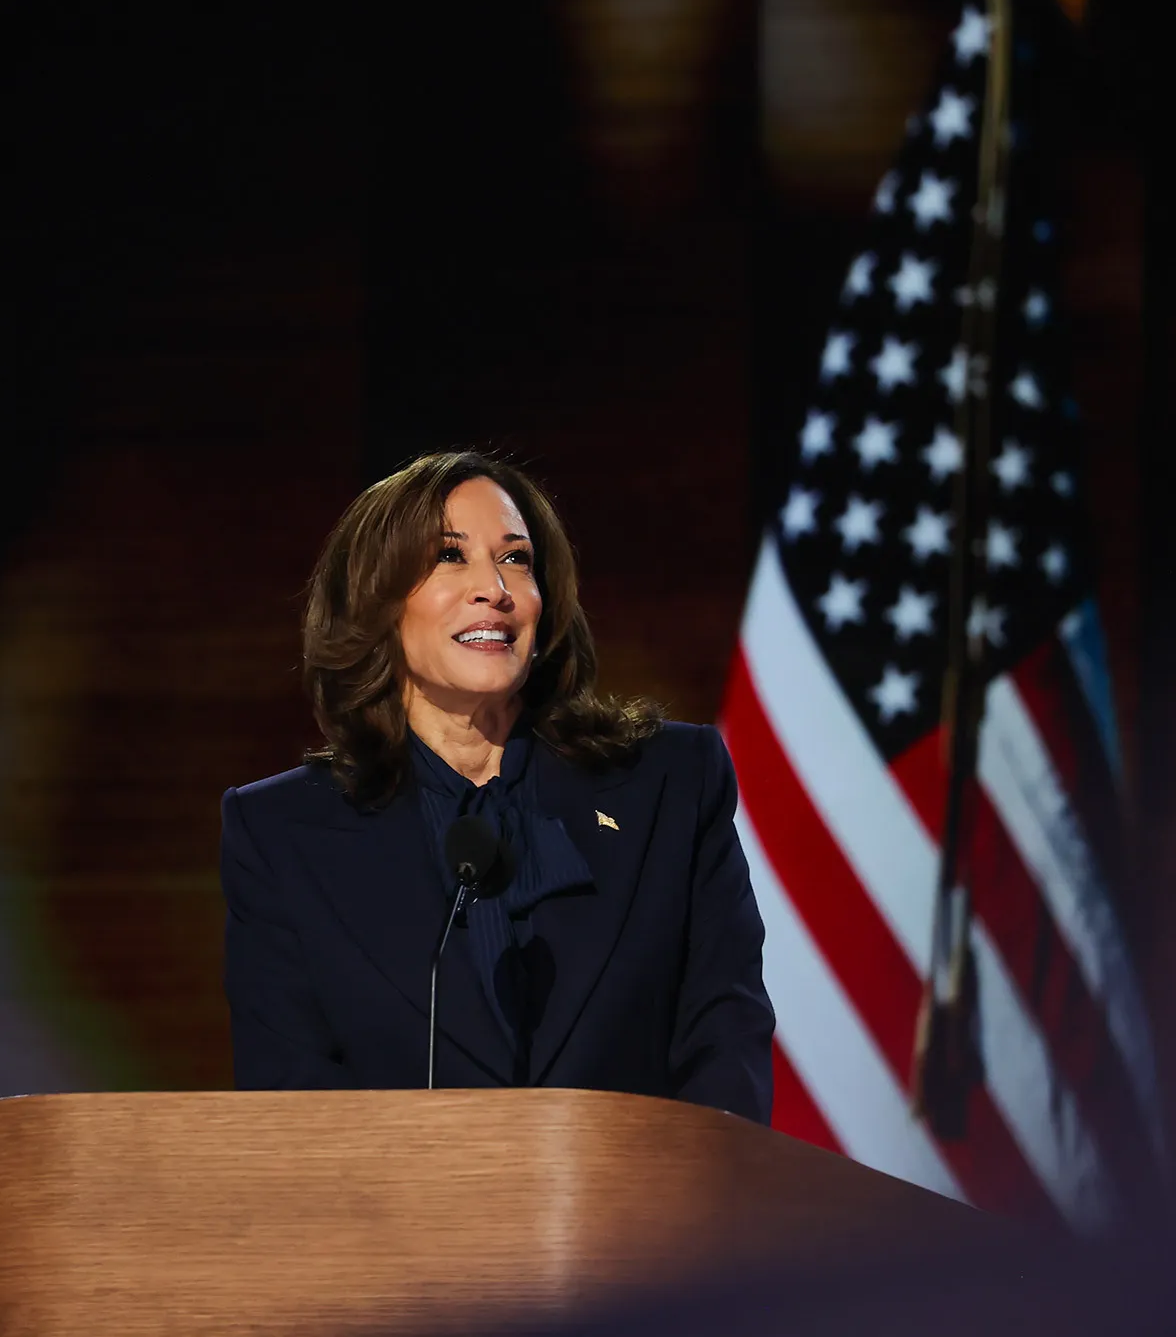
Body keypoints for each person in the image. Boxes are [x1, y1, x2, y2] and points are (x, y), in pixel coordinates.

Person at [219, 452, 775, 1120]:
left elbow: (725, 1040)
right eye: (450, 556)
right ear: (376, 601)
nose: (495, 587)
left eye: (516, 558)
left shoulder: (670, 783)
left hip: (646, 1187)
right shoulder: (281, 833)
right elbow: (291, 1102)